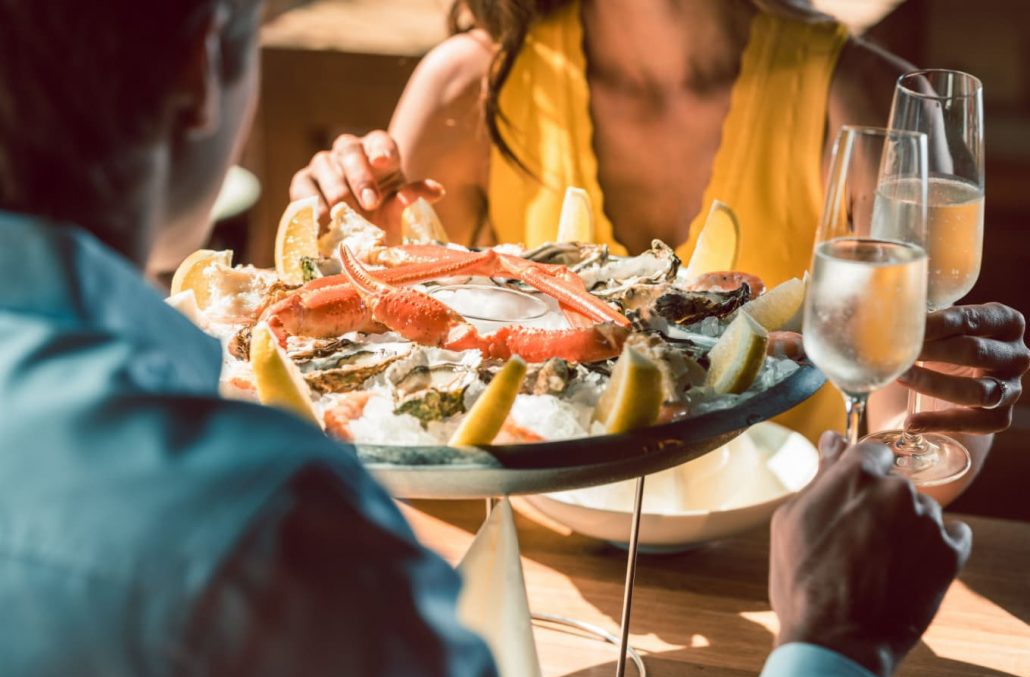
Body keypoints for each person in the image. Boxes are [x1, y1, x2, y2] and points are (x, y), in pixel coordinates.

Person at [0, 0, 984, 677]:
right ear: (197, 69)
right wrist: (836, 657)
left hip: (725, 588)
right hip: (597, 608)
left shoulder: (851, 93)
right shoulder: (273, 527)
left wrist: (943, 418)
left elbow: (903, 430)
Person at [291, 0, 1030, 506]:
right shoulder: (470, 85)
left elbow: (916, 456)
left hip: (774, 574)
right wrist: (344, 235)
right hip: (531, 564)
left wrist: (953, 395)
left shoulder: (866, 97)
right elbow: (380, 400)